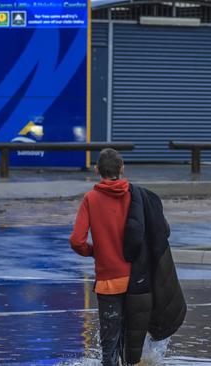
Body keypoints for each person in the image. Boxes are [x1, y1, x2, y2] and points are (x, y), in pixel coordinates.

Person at [69, 148, 132, 366]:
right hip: (136, 280)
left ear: (97, 170)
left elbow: (77, 240)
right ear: (121, 168)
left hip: (108, 283)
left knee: (109, 344)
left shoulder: (91, 199)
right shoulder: (135, 195)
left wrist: (95, 251)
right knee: (130, 342)